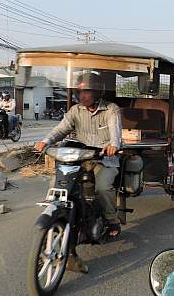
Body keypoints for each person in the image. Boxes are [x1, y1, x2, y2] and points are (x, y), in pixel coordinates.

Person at [34, 72, 122, 238]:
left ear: (97, 92)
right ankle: (59, 212)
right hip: (80, 158)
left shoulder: (111, 110)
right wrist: (46, 141)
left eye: (87, 91)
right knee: (58, 182)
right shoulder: (75, 110)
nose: (82, 95)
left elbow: (115, 134)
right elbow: (61, 129)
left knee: (103, 187)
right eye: (80, 92)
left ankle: (111, 219)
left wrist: (113, 146)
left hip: (104, 159)